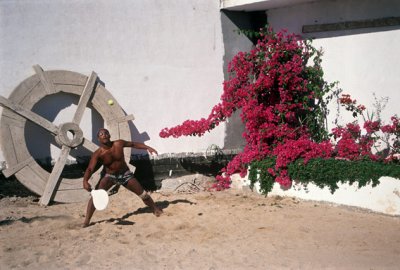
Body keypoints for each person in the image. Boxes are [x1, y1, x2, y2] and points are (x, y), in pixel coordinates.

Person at [82, 128, 162, 227]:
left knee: (143, 194)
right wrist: (85, 181)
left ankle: (155, 209)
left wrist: (148, 147)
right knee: (96, 196)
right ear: (98, 139)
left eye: (106, 133)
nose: (104, 135)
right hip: (109, 176)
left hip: (125, 174)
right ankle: (86, 220)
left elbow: (133, 144)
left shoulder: (118, 144)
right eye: (101, 134)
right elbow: (90, 168)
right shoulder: (98, 154)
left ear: (109, 135)